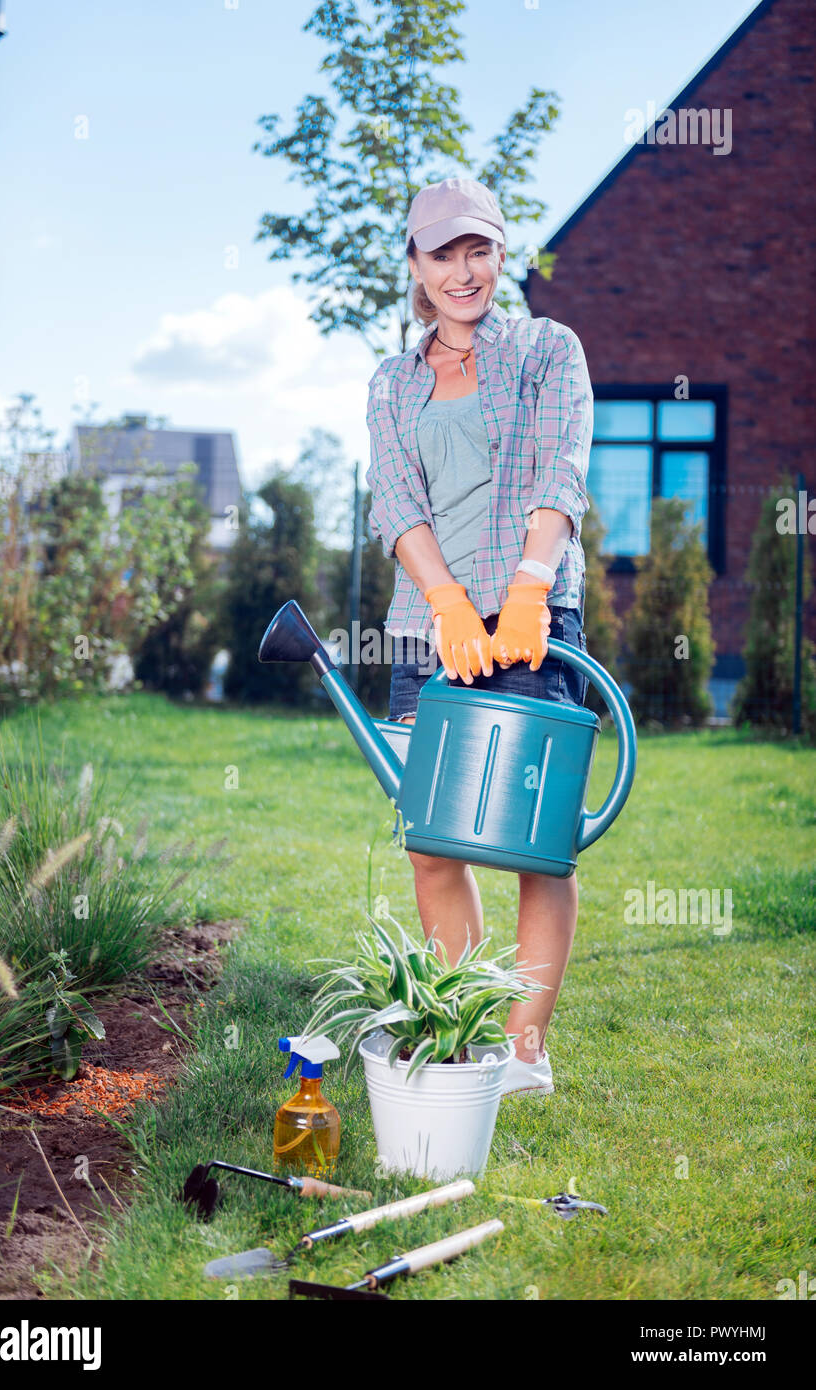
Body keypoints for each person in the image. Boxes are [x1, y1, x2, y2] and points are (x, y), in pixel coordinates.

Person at [365, 176, 593, 1098]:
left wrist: (528, 587)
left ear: (501, 253)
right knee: (433, 842)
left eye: (478, 251)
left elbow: (561, 464)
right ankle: (466, 1027)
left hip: (534, 618)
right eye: (441, 254)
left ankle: (525, 1052)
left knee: (538, 839)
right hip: (430, 632)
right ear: (415, 266)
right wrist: (451, 604)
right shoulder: (390, 381)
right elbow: (396, 502)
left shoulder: (545, 348)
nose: (463, 273)